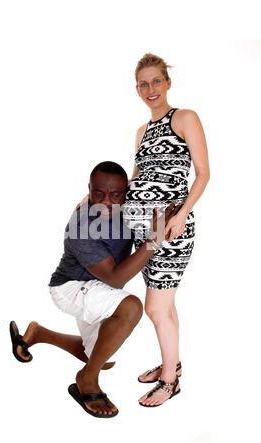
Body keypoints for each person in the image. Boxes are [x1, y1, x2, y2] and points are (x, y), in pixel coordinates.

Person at [76, 53, 210, 408]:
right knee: (165, 306)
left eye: (156, 81)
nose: (150, 89)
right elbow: (135, 182)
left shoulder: (184, 118)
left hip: (169, 227)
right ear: (137, 90)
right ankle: (172, 363)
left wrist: (183, 213)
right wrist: (93, 201)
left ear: (168, 82)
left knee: (155, 308)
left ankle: (170, 382)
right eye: (143, 84)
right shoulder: (142, 131)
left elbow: (203, 173)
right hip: (143, 231)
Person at [9, 161, 180, 418]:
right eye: (99, 193)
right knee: (131, 308)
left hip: (97, 288)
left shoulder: (125, 206)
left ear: (126, 192)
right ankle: (87, 380)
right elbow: (114, 278)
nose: (107, 202)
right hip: (72, 287)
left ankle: (37, 334)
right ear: (89, 189)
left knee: (101, 354)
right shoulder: (81, 226)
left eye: (115, 195)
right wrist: (155, 237)